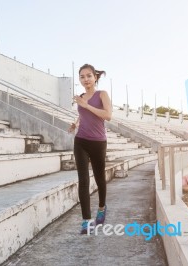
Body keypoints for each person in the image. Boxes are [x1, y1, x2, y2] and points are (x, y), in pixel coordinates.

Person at [68, 63, 112, 234]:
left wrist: (86, 105)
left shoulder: (102, 95)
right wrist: (75, 123)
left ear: (95, 77)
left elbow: (107, 115)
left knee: (100, 178)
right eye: (82, 76)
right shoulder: (80, 96)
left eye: (88, 76)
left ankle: (102, 207)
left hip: (98, 142)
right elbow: (82, 114)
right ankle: (86, 221)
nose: (85, 79)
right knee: (83, 180)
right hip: (81, 141)